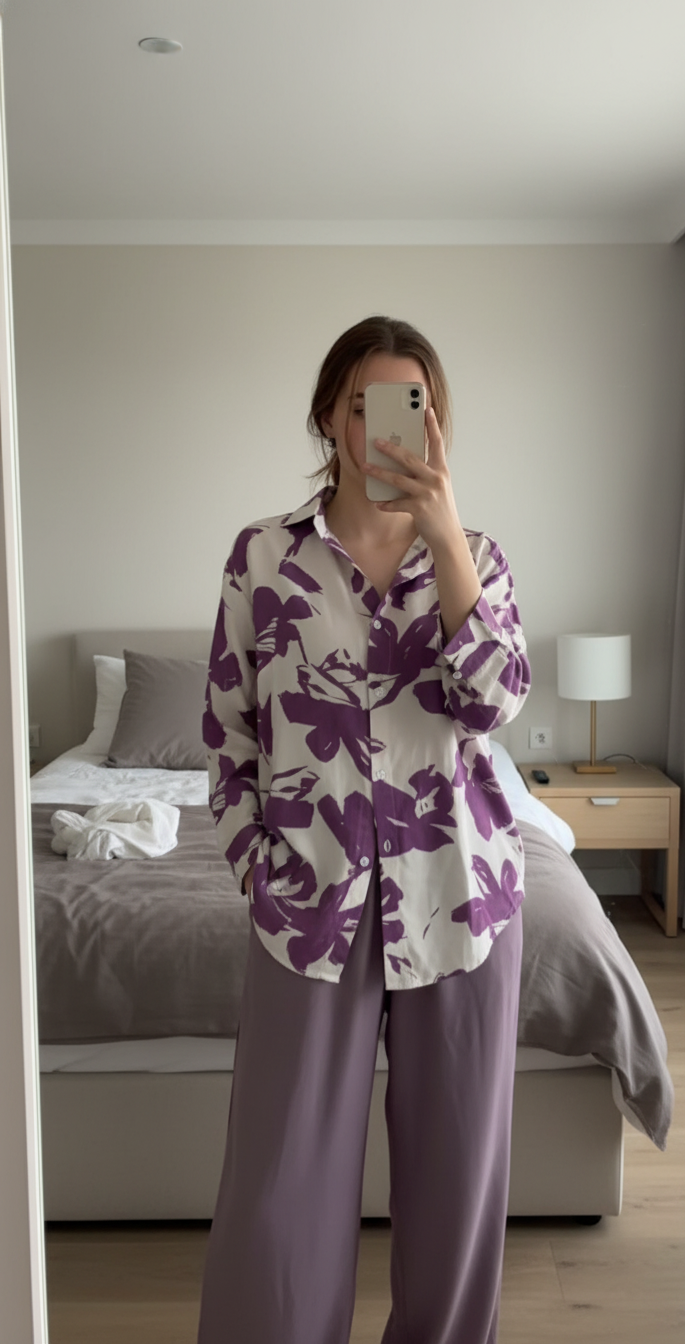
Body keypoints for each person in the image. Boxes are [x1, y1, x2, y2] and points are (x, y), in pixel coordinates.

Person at [197, 315, 531, 1344]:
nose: (382, 427)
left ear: (434, 424)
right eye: (362, 404)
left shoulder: (477, 558)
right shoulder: (264, 558)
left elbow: (493, 704)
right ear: (330, 418)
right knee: (278, 1198)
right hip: (308, 908)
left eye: (408, 406)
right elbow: (228, 732)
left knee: (455, 1191)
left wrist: (445, 540)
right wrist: (256, 865)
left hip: (461, 902)